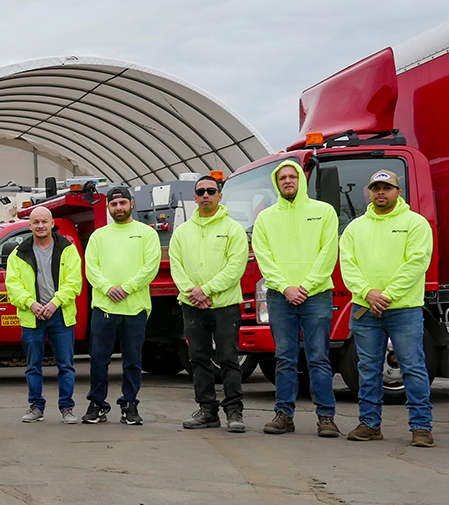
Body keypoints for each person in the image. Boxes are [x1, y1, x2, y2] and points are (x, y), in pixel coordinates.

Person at [339, 170, 435, 447]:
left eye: (387, 187)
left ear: (398, 192)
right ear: (369, 192)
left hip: (403, 309)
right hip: (365, 309)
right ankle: (369, 424)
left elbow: (417, 263)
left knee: (413, 367)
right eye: (376, 188)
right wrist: (369, 293)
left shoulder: (415, 223)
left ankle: (421, 428)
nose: (381, 192)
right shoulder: (355, 227)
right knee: (367, 369)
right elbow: (348, 265)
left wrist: (387, 296)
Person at [251, 160, 341, 437]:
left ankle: (326, 417)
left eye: (292, 176)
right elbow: (264, 258)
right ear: (276, 184)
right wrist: (285, 287)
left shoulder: (323, 212)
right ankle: (283, 414)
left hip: (316, 296)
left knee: (318, 358)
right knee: (284, 358)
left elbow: (328, 253)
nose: (288, 181)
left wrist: (307, 286)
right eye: (282, 178)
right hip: (280, 296)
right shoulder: (266, 218)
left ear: (301, 179)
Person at [172, 176, 250, 432]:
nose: (205, 195)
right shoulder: (182, 232)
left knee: (228, 359)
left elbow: (235, 268)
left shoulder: (233, 229)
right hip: (192, 306)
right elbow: (177, 267)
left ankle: (234, 412)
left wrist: (205, 290)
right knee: (199, 359)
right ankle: (207, 410)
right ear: (194, 198)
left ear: (219, 196)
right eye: (200, 191)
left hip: (225, 306)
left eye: (210, 191)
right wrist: (192, 293)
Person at [82, 186, 161, 425]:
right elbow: (91, 268)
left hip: (134, 309)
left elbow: (151, 266)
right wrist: (107, 288)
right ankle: (97, 404)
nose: (119, 208)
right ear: (108, 207)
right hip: (104, 309)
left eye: (122, 203)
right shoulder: (99, 236)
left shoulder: (146, 234)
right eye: (114, 205)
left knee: (131, 361)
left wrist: (127, 288)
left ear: (132, 204)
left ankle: (130, 404)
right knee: (98, 360)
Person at [6, 206, 83, 424]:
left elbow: (74, 282)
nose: (40, 225)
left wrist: (55, 303)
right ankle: (36, 407)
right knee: (33, 365)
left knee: (66, 365)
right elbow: (13, 285)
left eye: (44, 221)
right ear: (30, 225)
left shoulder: (67, 249)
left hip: (60, 315)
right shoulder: (18, 254)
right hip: (33, 316)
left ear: (52, 224)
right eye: (35, 222)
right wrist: (31, 304)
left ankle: (67, 408)